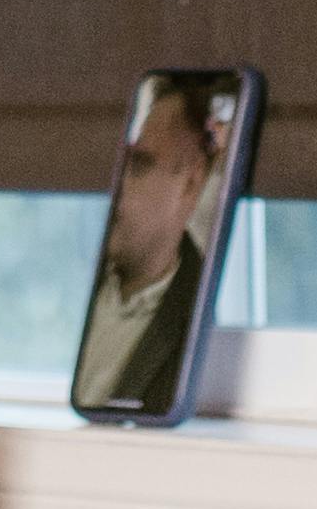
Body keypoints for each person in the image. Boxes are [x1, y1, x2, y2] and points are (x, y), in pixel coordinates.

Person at [70, 77, 235, 414]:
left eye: (140, 165)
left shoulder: (197, 319)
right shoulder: (74, 276)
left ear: (191, 184)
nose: (117, 186)